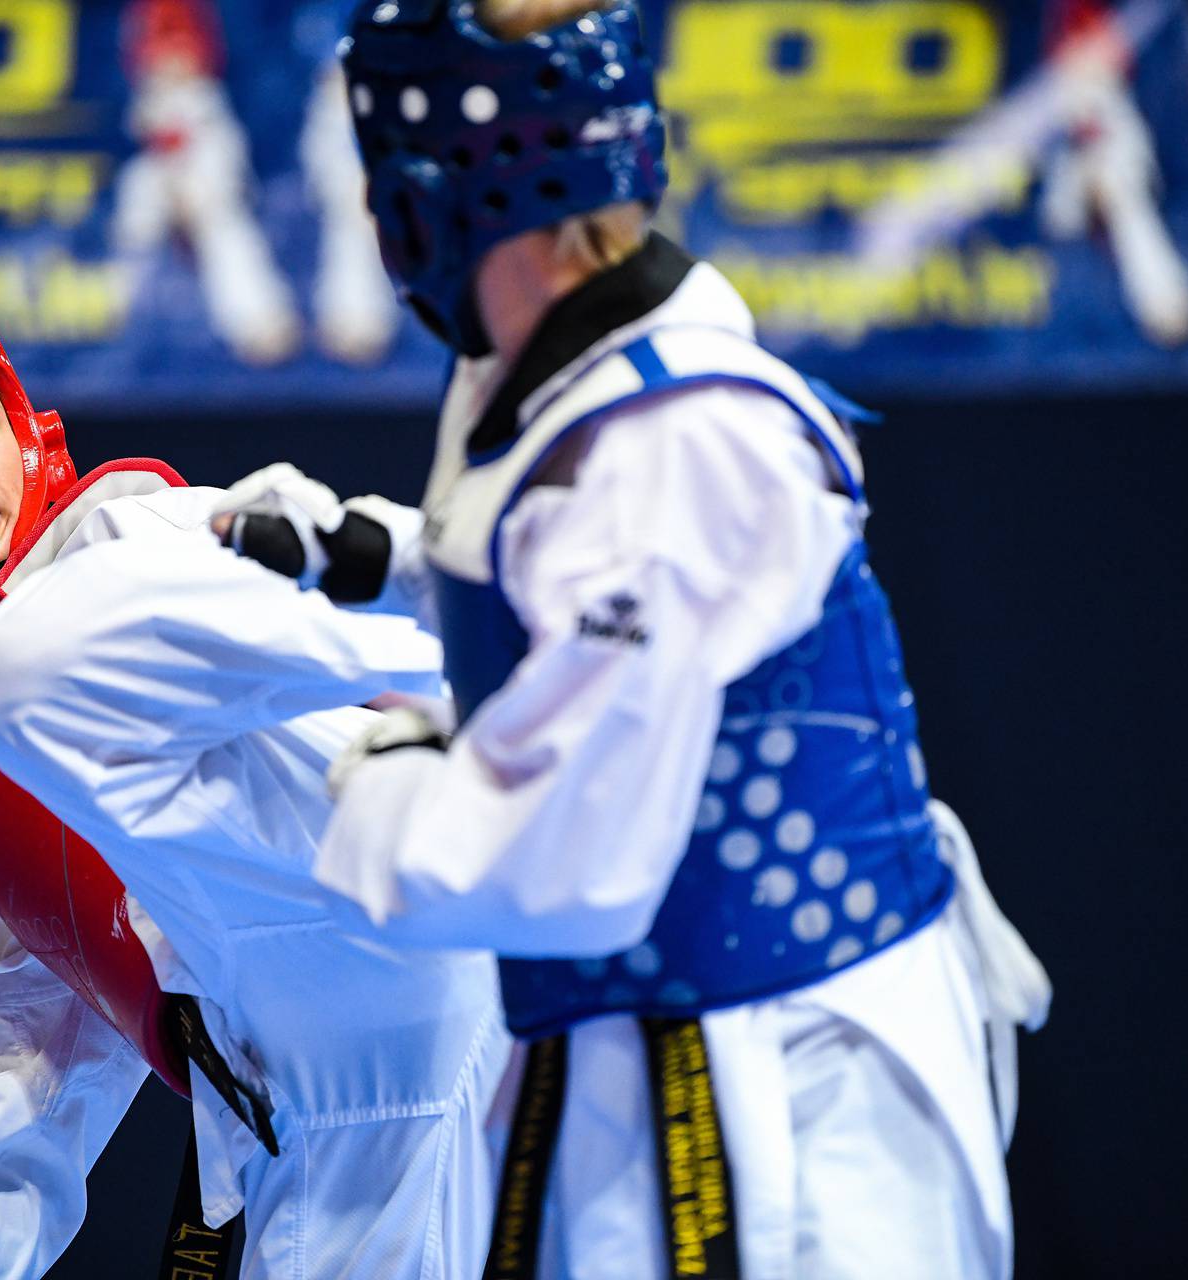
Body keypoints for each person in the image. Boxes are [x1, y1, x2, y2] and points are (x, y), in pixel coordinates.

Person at [211, 2, 1052, 1276]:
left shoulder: (678, 438)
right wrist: (365, 558)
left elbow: (564, 860)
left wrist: (377, 777)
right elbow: (551, 575)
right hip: (641, 1025)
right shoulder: (551, 363)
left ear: (433, 188)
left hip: (786, 1080)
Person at [0, 283, 509, 1280]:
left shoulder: (141, 549)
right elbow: (4, 1169)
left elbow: (415, 627)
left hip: (481, 1036)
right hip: (321, 1163)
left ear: (30, 443)